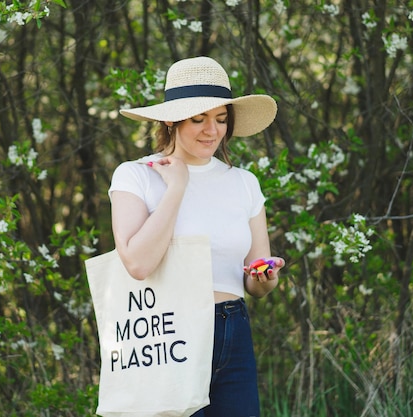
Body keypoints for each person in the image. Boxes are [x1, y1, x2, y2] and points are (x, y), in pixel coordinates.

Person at [108, 56, 285, 417]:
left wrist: (264, 277)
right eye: (198, 119)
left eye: (221, 119)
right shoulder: (136, 176)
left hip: (233, 329)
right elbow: (137, 263)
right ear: (172, 120)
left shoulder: (244, 183)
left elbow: (256, 283)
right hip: (167, 332)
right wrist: (176, 188)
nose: (212, 131)